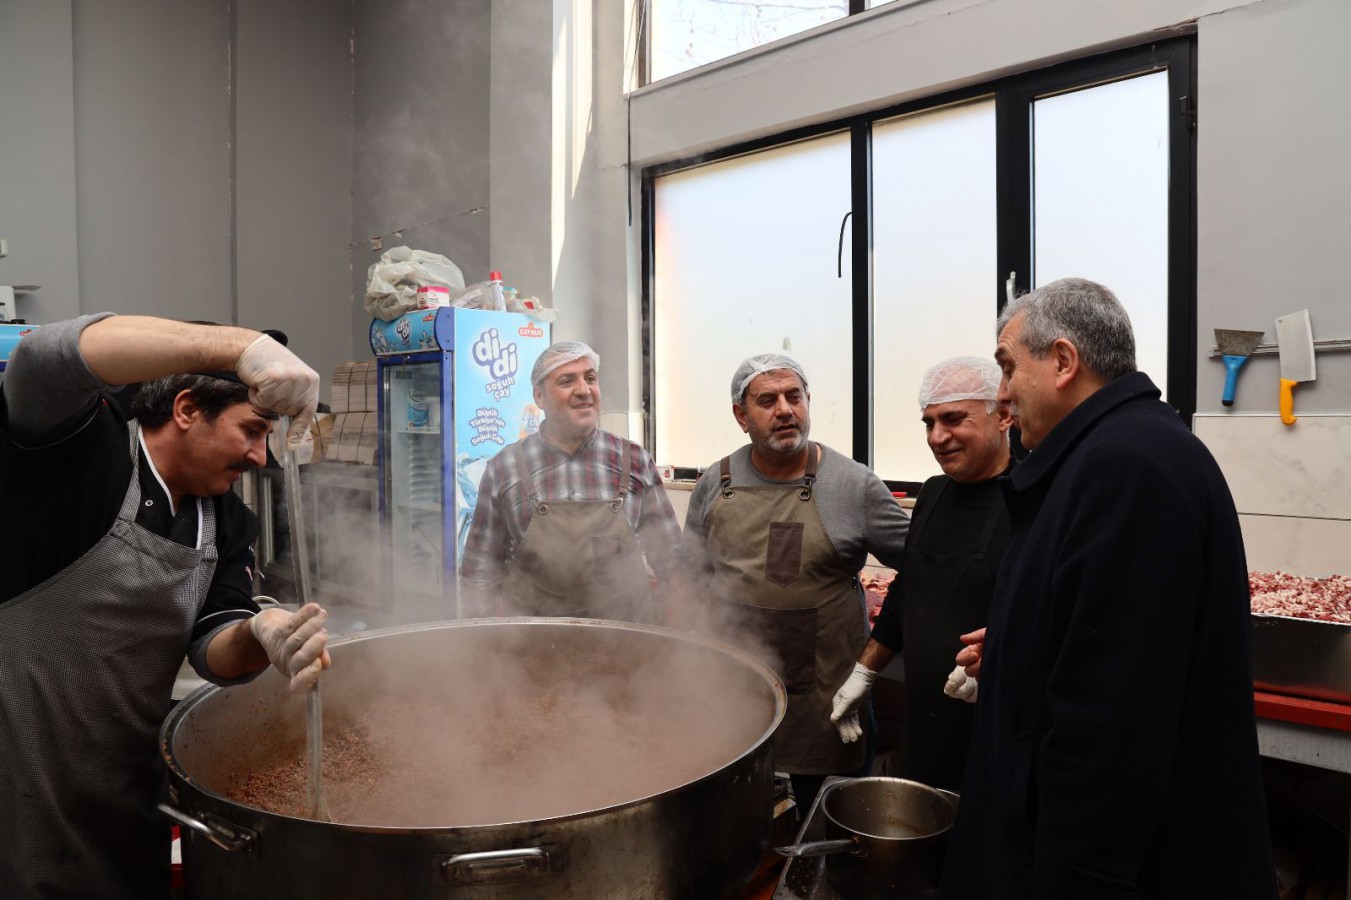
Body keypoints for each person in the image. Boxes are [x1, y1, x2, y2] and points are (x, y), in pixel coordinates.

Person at [941, 278, 1275, 898]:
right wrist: (1019, 647)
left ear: (1064, 361)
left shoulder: (1127, 467)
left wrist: (1075, 881)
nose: (1002, 395)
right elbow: (1099, 632)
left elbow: (1112, 726)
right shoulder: (1113, 451)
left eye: (1008, 368)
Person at [0, 313, 334, 900]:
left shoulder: (226, 518)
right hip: (20, 777)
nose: (261, 457)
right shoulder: (81, 451)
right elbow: (38, 363)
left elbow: (213, 647)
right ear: (186, 409)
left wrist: (262, 632)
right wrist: (241, 348)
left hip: (127, 785)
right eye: (252, 431)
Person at [680, 353, 910, 811]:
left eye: (794, 396)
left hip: (828, 699)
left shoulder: (854, 486)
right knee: (735, 816)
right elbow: (687, 581)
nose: (785, 410)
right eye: (767, 400)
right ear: (741, 416)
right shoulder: (714, 483)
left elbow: (925, 571)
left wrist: (869, 667)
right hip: (735, 694)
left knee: (830, 822)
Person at [828, 356, 1012, 792]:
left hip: (994, 732)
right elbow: (906, 592)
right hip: (924, 727)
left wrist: (1000, 665)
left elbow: (1052, 619)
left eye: (953, 419)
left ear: (1004, 415)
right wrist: (864, 673)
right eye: (929, 422)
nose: (937, 437)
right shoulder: (933, 493)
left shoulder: (1031, 500)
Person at [461, 341, 681, 622]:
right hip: (530, 641)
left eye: (590, 378)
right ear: (539, 397)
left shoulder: (635, 461)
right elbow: (480, 572)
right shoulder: (504, 468)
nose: (584, 390)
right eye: (567, 381)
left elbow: (673, 563)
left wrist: (672, 635)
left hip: (625, 639)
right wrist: (482, 640)